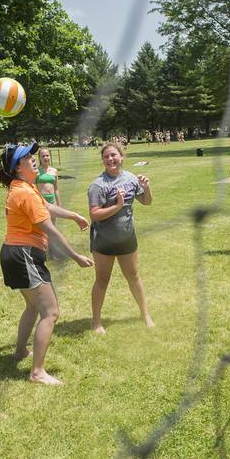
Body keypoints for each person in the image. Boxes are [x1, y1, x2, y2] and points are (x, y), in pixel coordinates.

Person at [0, 143, 93, 386]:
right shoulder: (26, 192)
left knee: (32, 307)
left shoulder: (25, 187)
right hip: (24, 255)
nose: (32, 159)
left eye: (32, 156)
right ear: (17, 167)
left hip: (17, 253)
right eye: (26, 157)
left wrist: (73, 215)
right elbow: (50, 230)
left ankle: (20, 351)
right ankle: (37, 372)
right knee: (50, 312)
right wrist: (76, 256)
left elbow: (47, 207)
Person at [88, 142, 154, 335]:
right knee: (102, 280)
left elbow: (147, 202)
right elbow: (94, 214)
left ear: (122, 157)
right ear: (103, 161)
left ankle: (145, 314)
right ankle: (96, 321)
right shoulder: (98, 185)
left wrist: (146, 187)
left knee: (133, 276)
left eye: (113, 155)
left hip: (127, 237)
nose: (110, 159)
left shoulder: (132, 179)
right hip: (103, 240)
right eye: (106, 156)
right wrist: (117, 206)